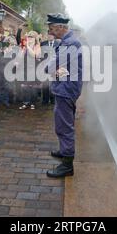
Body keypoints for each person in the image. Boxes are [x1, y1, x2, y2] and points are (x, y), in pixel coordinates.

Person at [45, 13, 83, 178]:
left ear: (61, 27)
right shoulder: (68, 42)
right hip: (64, 88)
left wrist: (50, 68)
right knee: (61, 122)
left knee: (64, 126)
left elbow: (52, 67)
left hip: (66, 89)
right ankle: (64, 151)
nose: (50, 30)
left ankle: (67, 165)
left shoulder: (70, 44)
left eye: (52, 28)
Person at [18, 31, 42, 110]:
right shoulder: (25, 47)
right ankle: (25, 102)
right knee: (25, 87)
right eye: (28, 37)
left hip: (34, 69)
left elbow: (35, 55)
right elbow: (21, 57)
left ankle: (33, 103)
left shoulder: (37, 46)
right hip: (25, 69)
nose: (29, 38)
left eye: (31, 37)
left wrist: (28, 46)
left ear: (35, 38)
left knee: (33, 87)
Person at [40, 33, 58, 106]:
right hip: (45, 67)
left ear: (54, 36)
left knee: (53, 84)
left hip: (54, 67)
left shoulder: (58, 44)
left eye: (51, 35)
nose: (50, 36)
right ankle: (45, 100)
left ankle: (53, 100)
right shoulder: (43, 44)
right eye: (49, 35)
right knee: (45, 84)